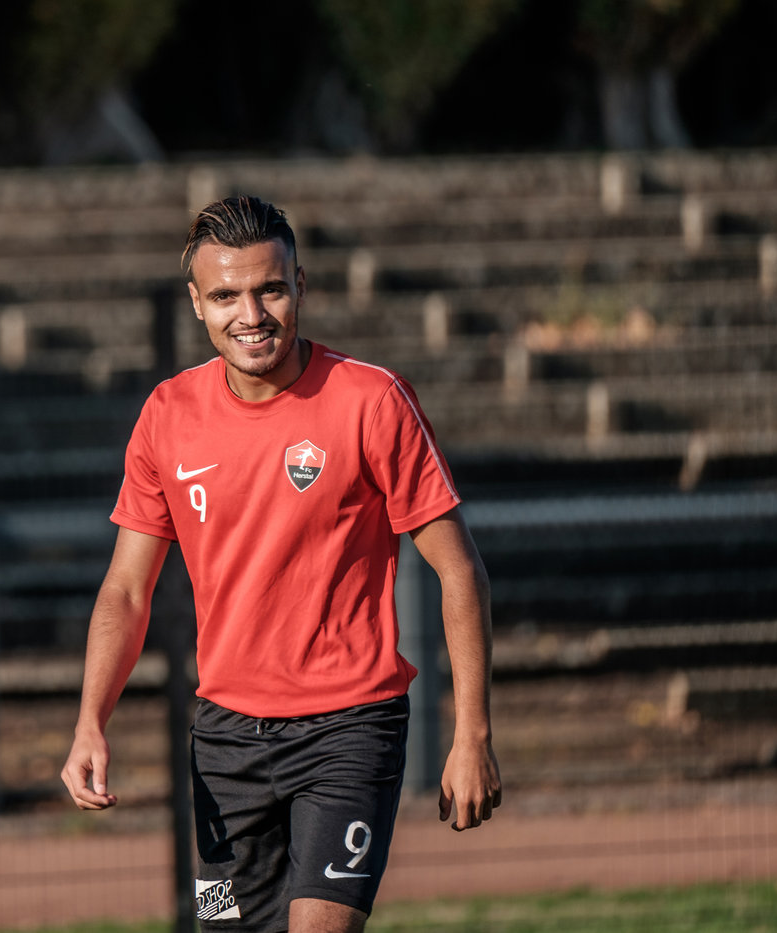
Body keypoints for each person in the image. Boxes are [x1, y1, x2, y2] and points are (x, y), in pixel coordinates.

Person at [61, 195, 500, 933]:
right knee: (219, 922)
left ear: (301, 285)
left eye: (269, 289)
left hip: (348, 733)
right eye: (226, 296)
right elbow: (127, 590)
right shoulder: (167, 414)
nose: (251, 314)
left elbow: (460, 570)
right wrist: (89, 721)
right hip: (223, 750)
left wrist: (473, 734)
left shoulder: (372, 400)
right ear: (197, 303)